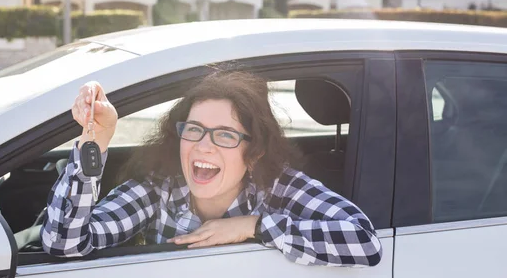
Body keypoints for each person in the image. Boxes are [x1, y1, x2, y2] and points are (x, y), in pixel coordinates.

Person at [41, 71, 382, 266]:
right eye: (194, 129)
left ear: (255, 152)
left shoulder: (280, 187)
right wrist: (95, 139)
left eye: (225, 135)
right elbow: (64, 244)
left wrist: (254, 226)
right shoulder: (158, 190)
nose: (203, 145)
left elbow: (364, 241)